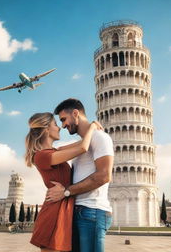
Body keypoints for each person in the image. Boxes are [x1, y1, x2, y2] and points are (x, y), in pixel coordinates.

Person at [46, 98, 114, 252]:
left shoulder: (100, 138)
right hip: (80, 212)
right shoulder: (84, 142)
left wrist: (66, 192)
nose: (63, 125)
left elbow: (104, 175)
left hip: (92, 211)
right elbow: (56, 152)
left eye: (63, 119)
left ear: (75, 114)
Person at [25, 112, 99, 252]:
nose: (59, 128)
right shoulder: (41, 156)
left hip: (63, 209)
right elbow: (83, 148)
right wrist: (92, 127)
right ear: (46, 129)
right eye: (55, 124)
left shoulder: (53, 152)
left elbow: (82, 144)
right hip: (54, 213)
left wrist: (95, 134)